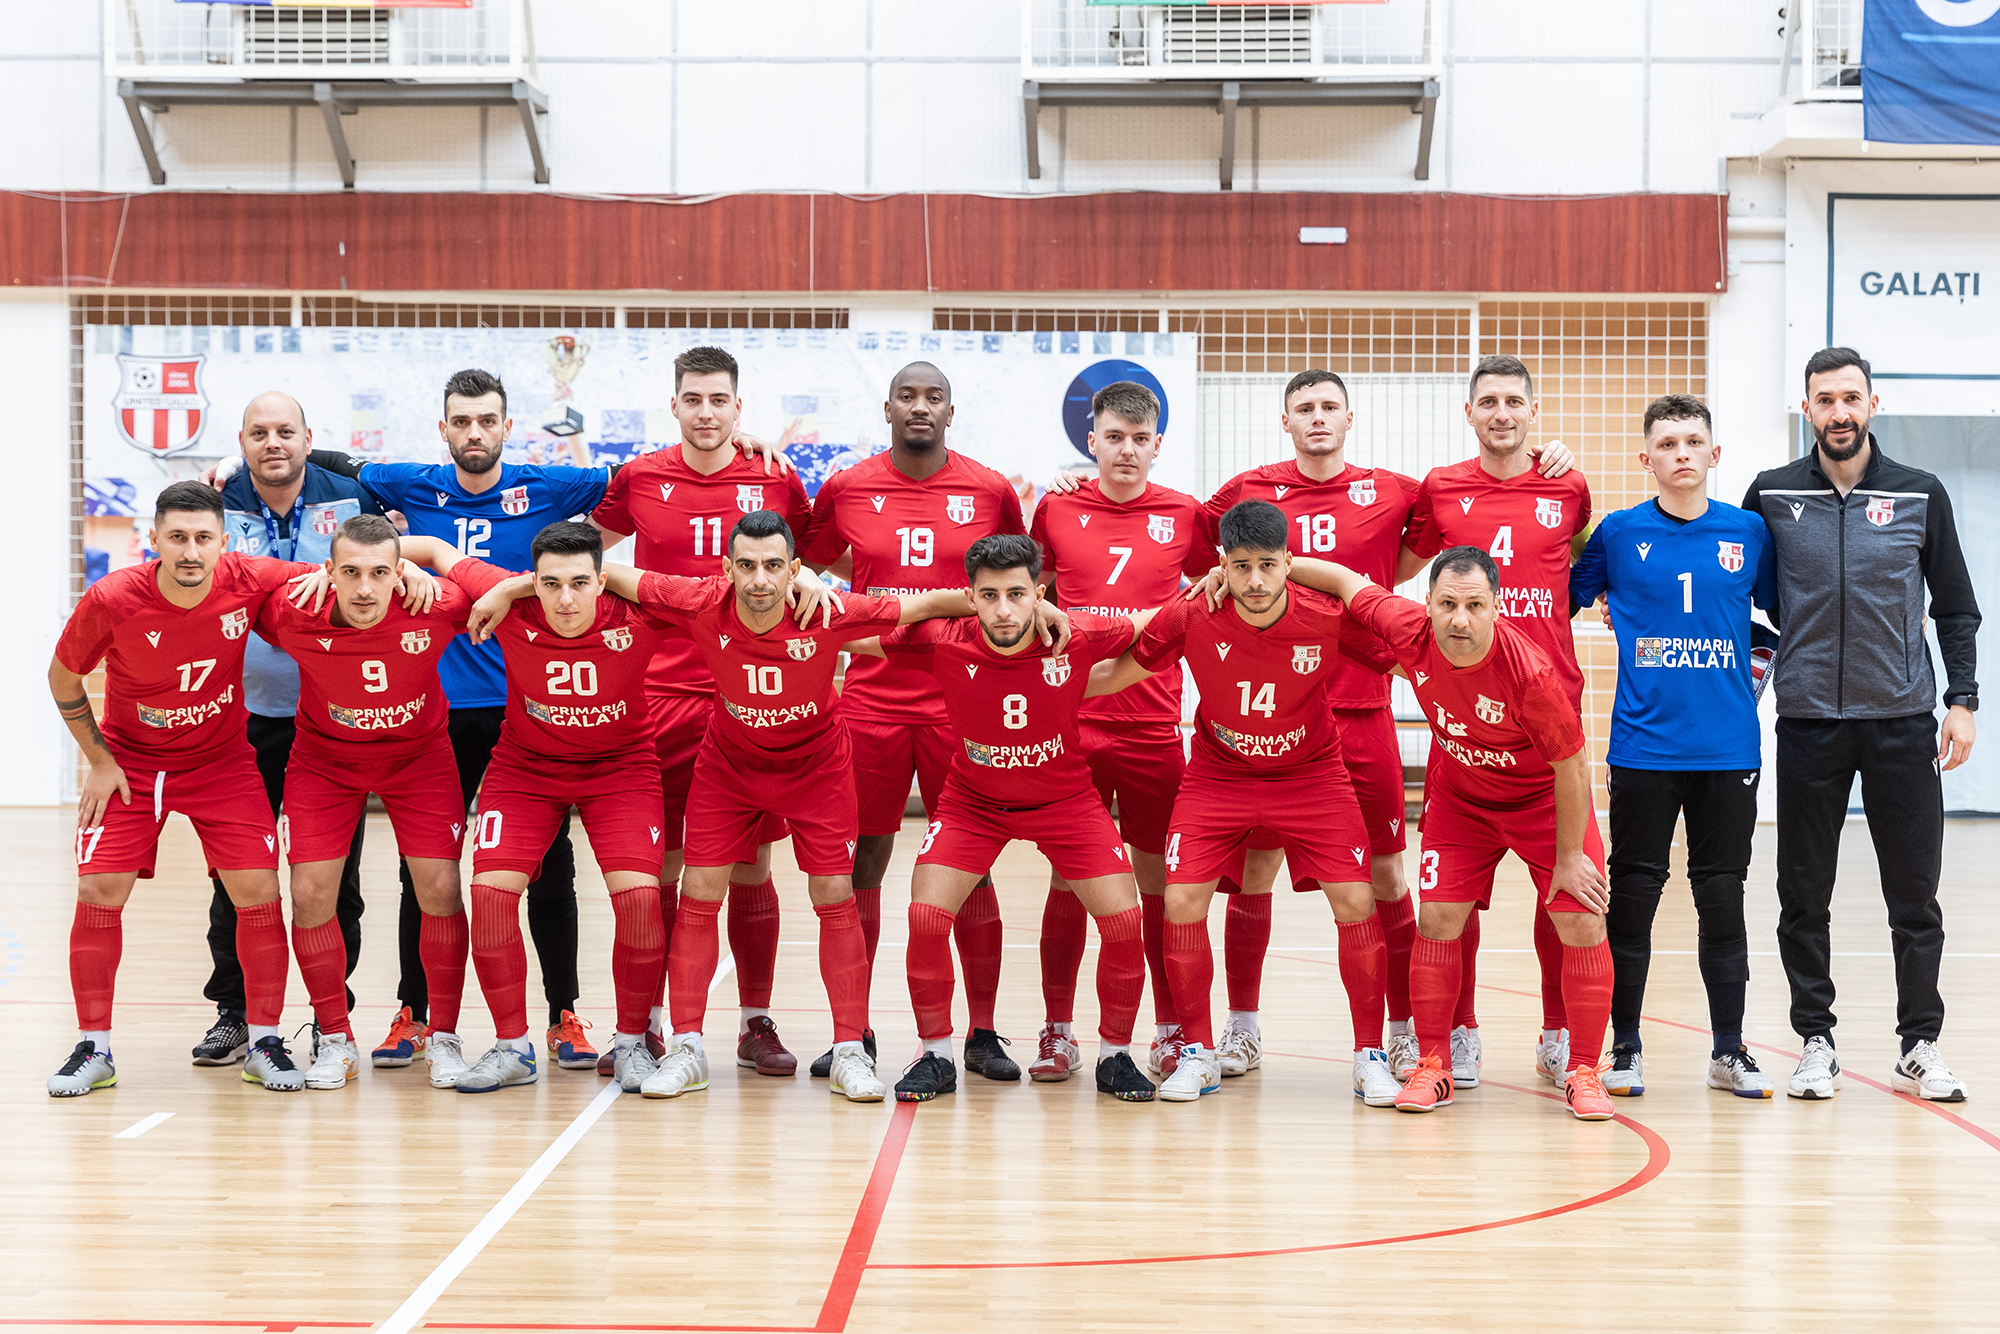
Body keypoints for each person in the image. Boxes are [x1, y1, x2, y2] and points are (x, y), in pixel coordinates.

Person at [592, 513, 1017, 1101]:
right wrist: (516, 585)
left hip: (817, 770)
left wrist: (1029, 611)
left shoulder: (828, 610)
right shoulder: (698, 600)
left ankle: (849, 1050)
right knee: (700, 889)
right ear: (726, 569)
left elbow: (925, 607)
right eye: (746, 566)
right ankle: (687, 1047)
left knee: (833, 896)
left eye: (773, 566)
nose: (759, 579)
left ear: (794, 569)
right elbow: (608, 573)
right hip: (730, 768)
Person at [45, 483, 361, 1095]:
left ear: (223, 541)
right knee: (98, 886)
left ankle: (263, 1039)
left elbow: (333, 571)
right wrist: (99, 761)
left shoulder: (247, 576)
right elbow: (62, 678)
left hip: (221, 762)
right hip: (133, 763)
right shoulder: (113, 598)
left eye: (203, 538)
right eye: (178, 538)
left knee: (257, 888)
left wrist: (399, 566)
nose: (191, 551)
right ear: (155, 539)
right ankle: (94, 1047)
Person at [1281, 546, 1617, 1121]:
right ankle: (1434, 1065)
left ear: (1495, 608)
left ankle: (1585, 1071)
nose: (1459, 618)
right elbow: (1341, 577)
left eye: (1473, 605)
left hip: (1541, 800)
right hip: (1462, 800)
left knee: (1579, 915)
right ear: (1428, 606)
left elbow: (1572, 767)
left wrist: (1568, 859)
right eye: (1447, 604)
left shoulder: (1529, 674)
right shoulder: (1408, 631)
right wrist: (1265, 567)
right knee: (1437, 918)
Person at [1742, 347, 1980, 1103]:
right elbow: (1738, 596)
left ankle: (1919, 1044)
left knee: (1915, 895)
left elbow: (1956, 605)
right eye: (1824, 400)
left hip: (1904, 720)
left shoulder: (1920, 493)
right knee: (1802, 891)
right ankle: (1816, 1039)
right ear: (1806, 408)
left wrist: (1963, 700)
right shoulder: (1773, 494)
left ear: (1872, 403)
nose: (1838, 412)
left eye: (1850, 398)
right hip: (1809, 718)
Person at [846, 534, 1154, 1104]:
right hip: (973, 802)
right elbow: (850, 633)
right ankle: (936, 1053)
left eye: (1017, 594)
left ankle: (1115, 1055)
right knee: (926, 915)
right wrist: (803, 592)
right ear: (971, 598)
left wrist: (1214, 589)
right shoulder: (943, 640)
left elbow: (1149, 624)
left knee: (1124, 920)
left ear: (1040, 593)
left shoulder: (1077, 635)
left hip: (1065, 799)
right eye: (989, 596)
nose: (1004, 610)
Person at [1108, 501, 1386, 1104]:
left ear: (1290, 561)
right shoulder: (1194, 611)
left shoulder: (1327, 614)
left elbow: (1406, 653)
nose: (1255, 581)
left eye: (1268, 565)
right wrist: (1038, 683)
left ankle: (1370, 1054)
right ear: (1220, 568)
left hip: (1312, 775)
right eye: (1240, 567)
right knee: (1180, 897)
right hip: (1219, 775)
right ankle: (1198, 1051)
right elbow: (1125, 661)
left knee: (1357, 896)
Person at [801, 362, 1029, 1084]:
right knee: (861, 862)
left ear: (951, 412)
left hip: (964, 702)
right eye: (908, 397)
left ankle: (983, 1032)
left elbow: (1020, 575)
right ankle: (855, 1033)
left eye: (934, 398)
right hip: (870, 701)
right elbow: (809, 561)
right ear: (889, 408)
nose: (920, 408)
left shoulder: (989, 489)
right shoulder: (846, 486)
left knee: (973, 865)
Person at [591, 346, 816, 1077]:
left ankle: (755, 1023)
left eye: (720, 400)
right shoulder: (639, 477)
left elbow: (807, 564)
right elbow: (584, 560)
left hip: (750, 699)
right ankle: (647, 1024)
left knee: (751, 866)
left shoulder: (775, 476)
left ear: (738, 407)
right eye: (694, 399)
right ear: (675, 405)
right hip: (656, 698)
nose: (707, 413)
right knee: (658, 869)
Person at [399, 523, 674, 1094]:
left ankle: (630, 1046)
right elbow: (430, 549)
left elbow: (734, 596)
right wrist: (396, 567)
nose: (566, 599)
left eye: (580, 583)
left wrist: (814, 589)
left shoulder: (640, 612)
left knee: (642, 898)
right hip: (525, 770)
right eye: (550, 584)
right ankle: (512, 1048)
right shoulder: (509, 596)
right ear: (534, 582)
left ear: (603, 581)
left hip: (620, 769)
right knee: (491, 895)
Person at [1569, 394, 1777, 1098]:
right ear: (1647, 458)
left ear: (1714, 454)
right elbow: (1561, 596)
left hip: (1727, 750)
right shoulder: (1619, 534)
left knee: (1723, 898)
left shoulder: (1749, 531)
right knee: (1632, 898)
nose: (1681, 453)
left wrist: (1756, 666)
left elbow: (1782, 615)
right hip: (1642, 749)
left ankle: (1728, 1050)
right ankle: (1623, 1049)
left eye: (1693, 441)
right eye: (1667, 443)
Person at [1400, 353, 1593, 1090]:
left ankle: (1559, 1035)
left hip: (1548, 717)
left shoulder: (1567, 482)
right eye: (1489, 401)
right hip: (1467, 726)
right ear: (1470, 412)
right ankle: (1458, 1032)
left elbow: (1577, 554)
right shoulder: (1442, 488)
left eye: (1515, 400)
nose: (1502, 413)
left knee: (1567, 894)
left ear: (1533, 411)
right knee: (1450, 900)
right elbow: (1398, 567)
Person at [1025, 381, 1212, 1082]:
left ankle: (1168, 1032)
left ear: (1157, 445)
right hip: (1069, 727)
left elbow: (1212, 596)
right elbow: (1028, 596)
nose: (1127, 450)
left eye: (1140, 439)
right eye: (1115, 437)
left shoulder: (1185, 516)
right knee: (1069, 879)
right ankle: (1057, 1031)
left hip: (1153, 729)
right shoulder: (1058, 507)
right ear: (1092, 440)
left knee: (1160, 882)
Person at [252, 515, 474, 1091]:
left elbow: (498, 585)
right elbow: (228, 583)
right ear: (328, 573)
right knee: (309, 892)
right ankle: (334, 1037)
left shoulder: (436, 603)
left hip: (419, 758)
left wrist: (435, 562)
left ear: (399, 572)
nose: (365, 589)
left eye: (380, 573)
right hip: (324, 762)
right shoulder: (291, 610)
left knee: (441, 889)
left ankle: (443, 1036)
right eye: (350, 573)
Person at [195, 390, 380, 1068]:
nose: (273, 444)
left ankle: (334, 1015)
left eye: (285, 432)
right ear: (239, 443)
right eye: (257, 434)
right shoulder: (212, 503)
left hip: (332, 717)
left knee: (336, 878)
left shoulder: (353, 494)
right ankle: (235, 1013)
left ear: (309, 438)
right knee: (236, 876)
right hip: (240, 717)